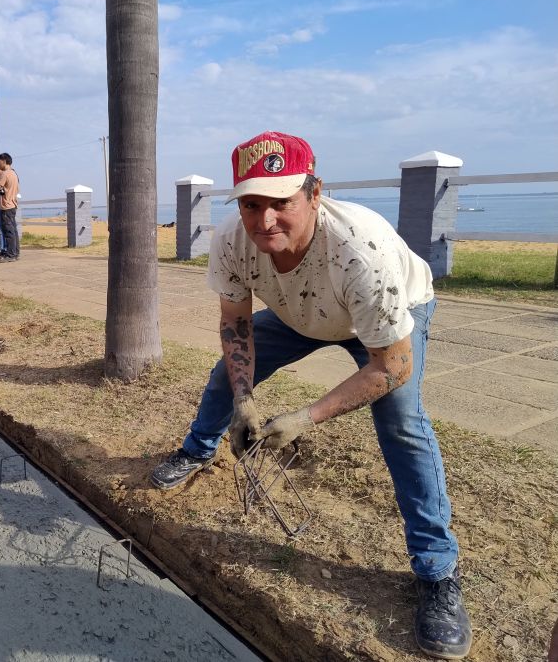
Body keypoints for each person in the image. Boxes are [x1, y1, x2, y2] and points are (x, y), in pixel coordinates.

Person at [149, 131, 472, 660]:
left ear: (314, 193)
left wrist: (306, 417)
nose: (265, 220)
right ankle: (198, 449)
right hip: (301, 311)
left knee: (401, 424)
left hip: (385, 321)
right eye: (252, 204)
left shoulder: (360, 251)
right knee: (224, 377)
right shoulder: (232, 240)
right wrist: (245, 398)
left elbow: (391, 366)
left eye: (282, 203)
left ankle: (437, 571)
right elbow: (236, 324)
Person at [0, 152, 19, 262]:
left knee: (8, 231)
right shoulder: (14, 173)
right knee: (13, 231)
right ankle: (15, 252)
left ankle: (10, 255)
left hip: (6, 206)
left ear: (4, 161)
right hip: (13, 204)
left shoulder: (5, 174)